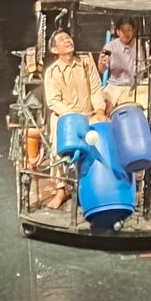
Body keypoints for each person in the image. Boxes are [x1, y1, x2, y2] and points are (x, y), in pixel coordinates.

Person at [40, 29, 104, 210]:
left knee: (105, 138)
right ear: (54, 49)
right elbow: (54, 102)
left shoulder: (85, 62)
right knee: (57, 145)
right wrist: (73, 117)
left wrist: (100, 111)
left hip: (89, 114)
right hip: (65, 117)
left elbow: (96, 88)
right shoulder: (52, 72)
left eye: (68, 37)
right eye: (62, 39)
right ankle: (61, 189)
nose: (68, 41)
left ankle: (98, 185)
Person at [98, 20, 148, 108]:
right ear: (118, 32)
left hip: (137, 85)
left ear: (133, 31)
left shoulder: (142, 45)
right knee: (104, 107)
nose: (126, 33)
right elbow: (101, 70)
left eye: (129, 30)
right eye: (123, 30)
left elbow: (148, 66)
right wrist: (102, 62)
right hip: (115, 85)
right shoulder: (110, 47)